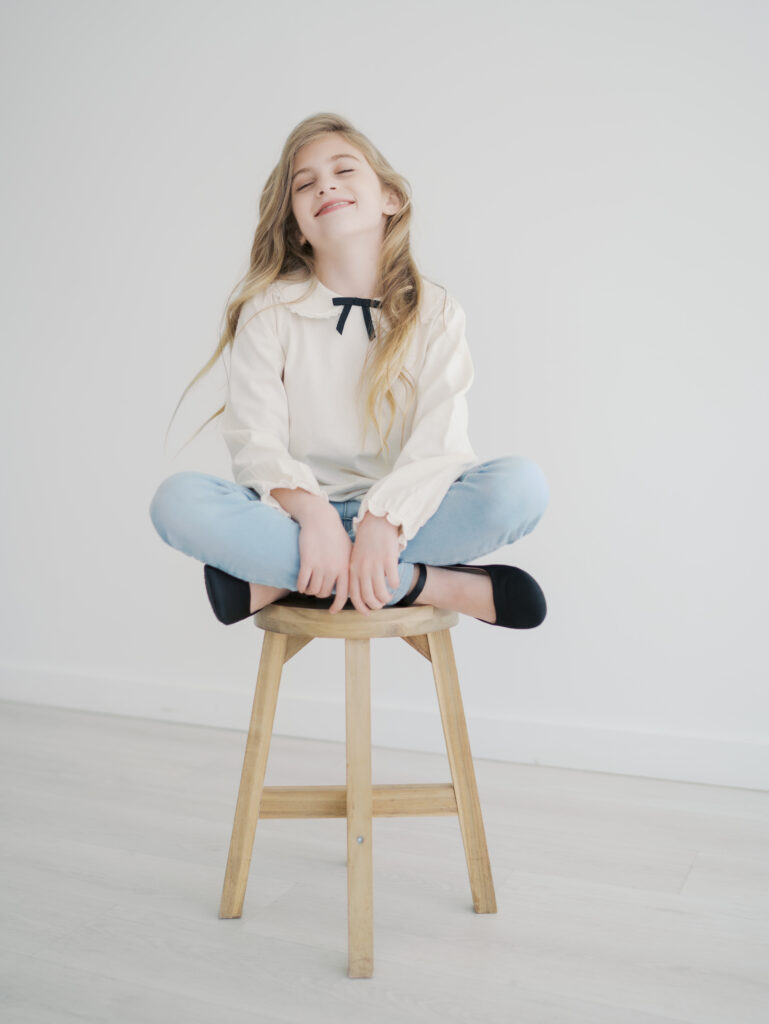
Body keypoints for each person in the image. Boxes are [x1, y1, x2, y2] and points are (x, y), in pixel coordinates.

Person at [149, 112, 549, 629]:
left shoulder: (436, 311)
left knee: (521, 487)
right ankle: (422, 582)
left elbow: (440, 444)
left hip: (409, 517)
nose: (325, 186)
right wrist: (315, 516)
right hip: (293, 518)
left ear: (390, 198)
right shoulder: (269, 310)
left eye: (343, 170)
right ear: (296, 227)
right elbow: (256, 440)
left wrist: (383, 522)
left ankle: (288, 579)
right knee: (177, 502)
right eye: (305, 184)